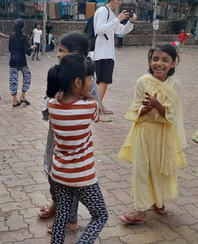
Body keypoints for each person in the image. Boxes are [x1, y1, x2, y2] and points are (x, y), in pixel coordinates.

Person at [37, 32, 103, 233]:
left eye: (61, 51)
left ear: (74, 54)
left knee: (70, 179)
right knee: (52, 172)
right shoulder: (60, 74)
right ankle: (58, 206)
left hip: (72, 145)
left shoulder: (85, 81)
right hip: (56, 138)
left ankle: (70, 220)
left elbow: (96, 107)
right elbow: (49, 104)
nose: (58, 55)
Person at [118, 42, 187, 225]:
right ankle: (140, 211)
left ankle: (159, 201)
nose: (159, 63)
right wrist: (147, 109)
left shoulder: (175, 85)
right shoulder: (142, 82)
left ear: (173, 64)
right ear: (149, 61)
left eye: (165, 60)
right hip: (144, 131)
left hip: (164, 134)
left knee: (161, 169)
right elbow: (134, 110)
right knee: (141, 170)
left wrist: (157, 105)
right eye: (155, 59)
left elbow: (173, 114)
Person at [47, 54, 108, 244]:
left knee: (61, 217)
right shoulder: (89, 106)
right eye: (90, 79)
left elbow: (61, 100)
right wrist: (87, 94)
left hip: (59, 174)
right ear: (78, 82)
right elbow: (96, 111)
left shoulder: (51, 105)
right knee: (100, 216)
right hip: (83, 177)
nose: (92, 84)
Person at [93, 0, 137, 116]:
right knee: (103, 81)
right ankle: (97, 109)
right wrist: (117, 19)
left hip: (108, 53)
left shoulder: (111, 14)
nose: (119, 2)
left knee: (103, 81)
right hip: (102, 52)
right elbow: (99, 29)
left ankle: (99, 105)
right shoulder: (103, 11)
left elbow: (120, 31)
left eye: (122, 0)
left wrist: (130, 22)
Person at [9, 18, 37, 107]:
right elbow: (27, 51)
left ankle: (14, 100)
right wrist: (32, 48)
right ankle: (23, 96)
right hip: (21, 60)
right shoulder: (24, 37)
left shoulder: (11, 36)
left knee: (13, 79)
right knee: (27, 77)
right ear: (23, 28)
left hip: (13, 60)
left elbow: (10, 48)